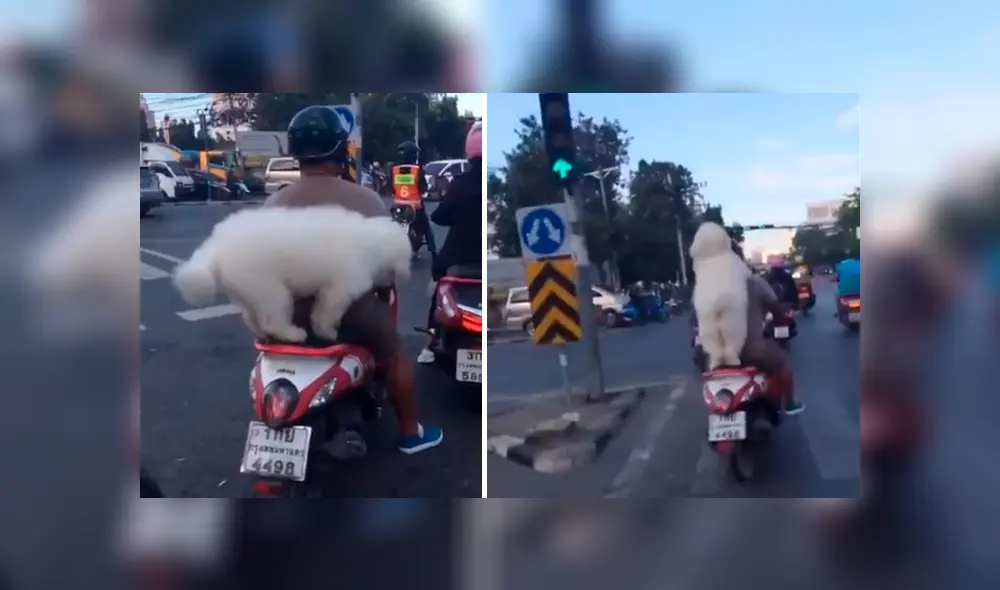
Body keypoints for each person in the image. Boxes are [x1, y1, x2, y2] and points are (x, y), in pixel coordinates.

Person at [263, 105, 443, 454]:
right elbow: (385, 270)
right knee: (394, 355)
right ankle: (410, 432)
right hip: (347, 308)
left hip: (285, 311)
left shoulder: (275, 201)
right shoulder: (364, 198)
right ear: (341, 149)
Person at [417, 122, 483, 364]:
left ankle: (430, 342)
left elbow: (440, 216)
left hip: (459, 256)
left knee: (438, 289)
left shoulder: (461, 183)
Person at [736, 244, 806, 415]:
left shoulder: (709, 285)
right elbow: (774, 304)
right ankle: (789, 403)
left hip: (717, 351)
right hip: (749, 346)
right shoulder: (754, 281)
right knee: (781, 362)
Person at [397, 140, 438, 258]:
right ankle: (434, 252)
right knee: (427, 229)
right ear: (412, 155)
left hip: (399, 207)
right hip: (416, 208)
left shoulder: (394, 170)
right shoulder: (416, 170)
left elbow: (391, 187)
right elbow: (423, 187)